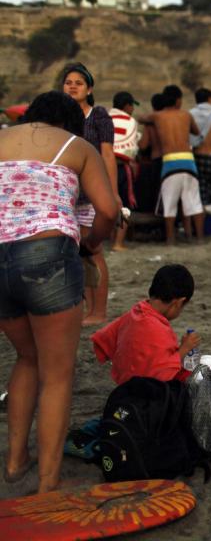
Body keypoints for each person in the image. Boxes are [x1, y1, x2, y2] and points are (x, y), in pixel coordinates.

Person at [0, 91, 118, 492]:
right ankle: (47, 487)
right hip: (47, 254)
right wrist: (92, 244)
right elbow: (108, 210)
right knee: (57, 375)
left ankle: (15, 462)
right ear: (72, 123)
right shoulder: (77, 145)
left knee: (26, 358)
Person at [91, 265, 211, 435]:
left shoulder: (136, 312)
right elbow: (162, 374)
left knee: (207, 372)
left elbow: (105, 340)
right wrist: (184, 348)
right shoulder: (156, 328)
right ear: (178, 302)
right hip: (149, 396)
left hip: (127, 388)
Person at [60, 62, 119, 326]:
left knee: (92, 250)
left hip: (91, 194)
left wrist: (113, 193)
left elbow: (108, 155)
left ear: (89, 88)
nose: (72, 86)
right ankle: (88, 310)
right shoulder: (60, 116)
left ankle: (99, 311)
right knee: (74, 253)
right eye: (68, 82)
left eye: (78, 82)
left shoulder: (99, 116)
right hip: (66, 193)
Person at [141, 85, 204, 244]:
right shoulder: (187, 115)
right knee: (194, 203)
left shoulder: (158, 116)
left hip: (170, 163)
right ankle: (198, 238)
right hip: (189, 161)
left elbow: (141, 118)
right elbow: (196, 132)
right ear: (178, 100)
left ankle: (170, 239)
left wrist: (151, 118)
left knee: (169, 204)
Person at [109, 91, 140, 251]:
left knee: (106, 204)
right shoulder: (130, 122)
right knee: (125, 205)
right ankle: (118, 243)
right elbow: (131, 151)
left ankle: (110, 239)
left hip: (102, 167)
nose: (133, 109)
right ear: (127, 106)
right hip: (120, 167)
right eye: (132, 106)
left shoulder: (105, 118)